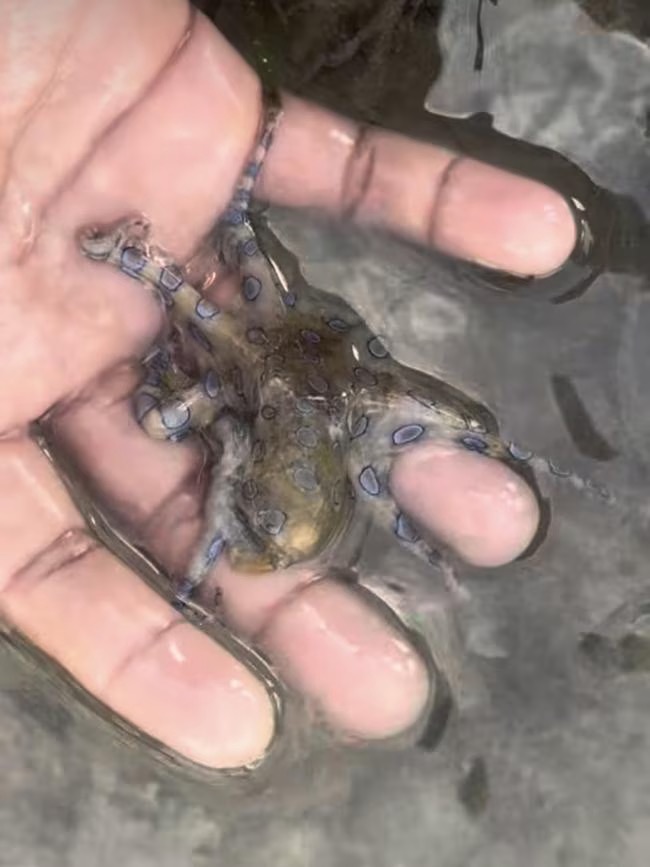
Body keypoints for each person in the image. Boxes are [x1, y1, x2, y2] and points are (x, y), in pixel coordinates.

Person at [0, 0, 577, 771]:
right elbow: (231, 389)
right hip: (276, 443)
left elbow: (199, 414)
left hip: (277, 465)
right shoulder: (258, 393)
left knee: (189, 395)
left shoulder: (250, 420)